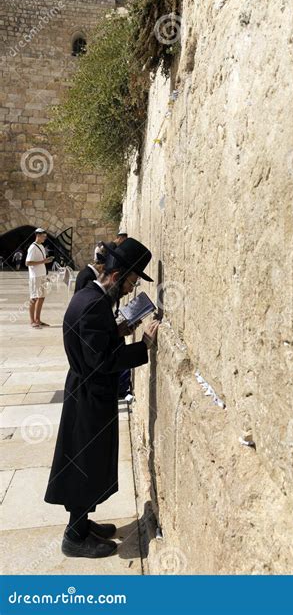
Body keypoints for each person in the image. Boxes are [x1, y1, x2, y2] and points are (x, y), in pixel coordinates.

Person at [44, 237, 159, 559]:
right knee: (85, 463)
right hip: (90, 397)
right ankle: (75, 536)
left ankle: (82, 523)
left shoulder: (90, 296)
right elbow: (103, 361)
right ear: (116, 273)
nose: (130, 289)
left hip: (87, 392)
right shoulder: (94, 304)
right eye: (131, 281)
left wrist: (118, 331)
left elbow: (94, 344)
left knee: (87, 461)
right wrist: (143, 345)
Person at [25, 228, 54, 328]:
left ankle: (38, 319)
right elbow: (27, 263)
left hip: (41, 275)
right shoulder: (32, 247)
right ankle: (32, 321)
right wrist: (43, 262)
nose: (45, 238)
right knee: (33, 298)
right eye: (43, 236)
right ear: (38, 235)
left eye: (45, 236)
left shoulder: (41, 246)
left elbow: (41, 261)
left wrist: (45, 261)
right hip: (35, 276)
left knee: (41, 297)